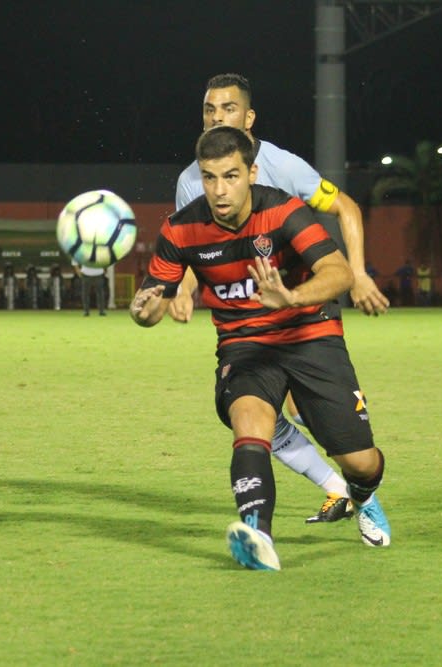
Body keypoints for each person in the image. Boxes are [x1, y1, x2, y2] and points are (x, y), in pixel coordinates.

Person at [130, 126, 392, 570]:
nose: (220, 189)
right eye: (210, 178)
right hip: (244, 345)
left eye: (230, 176)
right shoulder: (180, 229)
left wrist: (291, 297)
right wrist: (144, 309)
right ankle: (258, 536)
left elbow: (338, 272)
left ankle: (361, 496)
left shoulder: (284, 211)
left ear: (251, 172)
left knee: (362, 462)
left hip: (311, 334)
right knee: (249, 420)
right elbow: (154, 302)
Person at [170, 73, 390, 524]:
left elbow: (345, 206)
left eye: (227, 109)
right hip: (246, 323)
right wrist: (184, 291)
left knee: (325, 428)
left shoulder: (283, 166)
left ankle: (353, 482)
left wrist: (360, 273)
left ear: (248, 117)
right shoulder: (193, 180)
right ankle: (331, 489)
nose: (217, 118)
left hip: (306, 312)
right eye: (209, 110)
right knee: (252, 414)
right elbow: (194, 249)